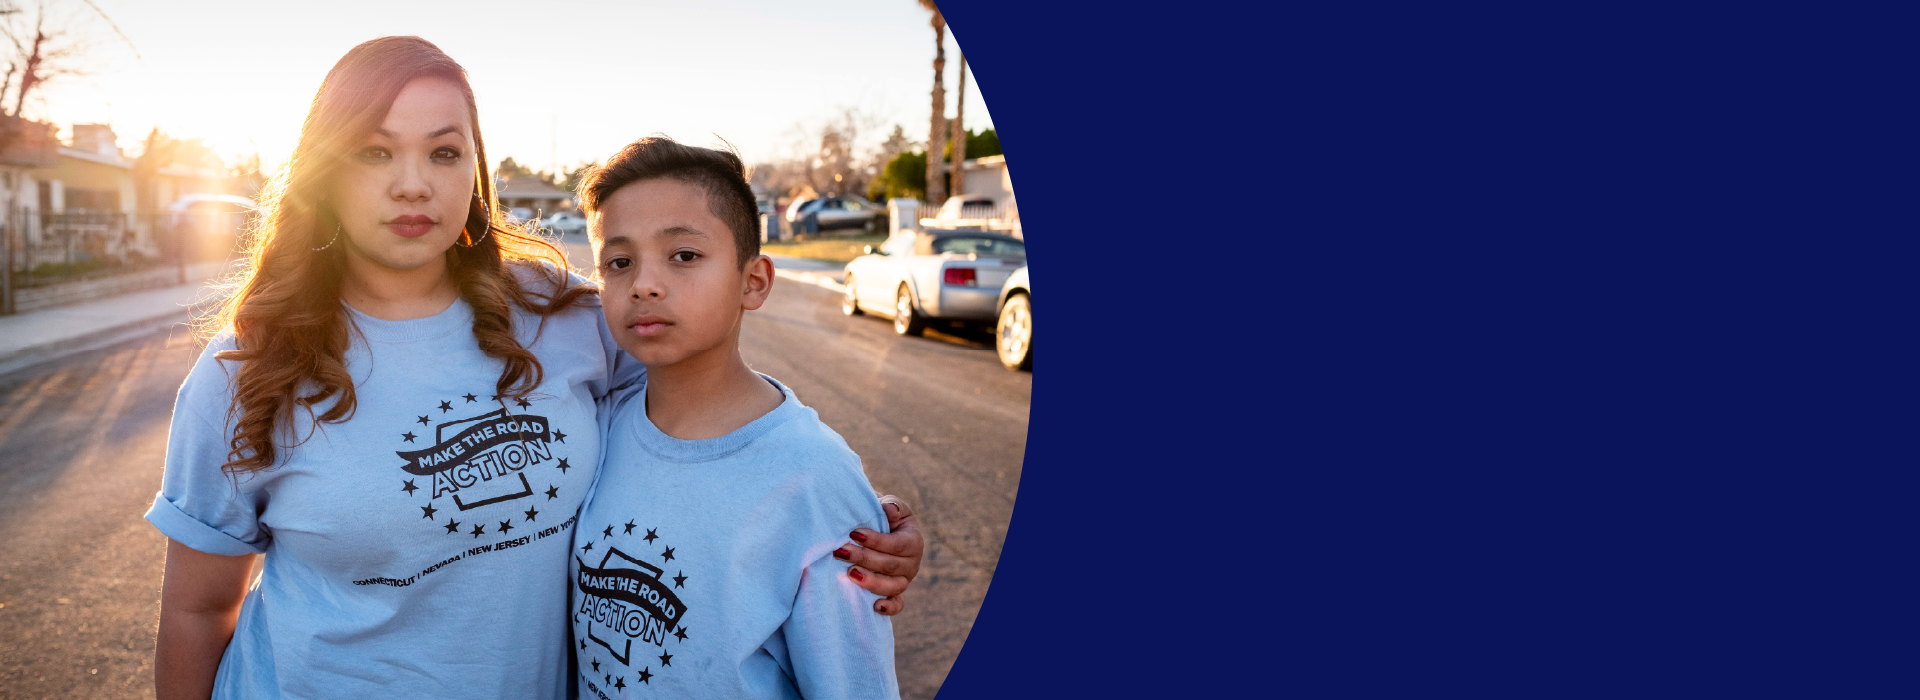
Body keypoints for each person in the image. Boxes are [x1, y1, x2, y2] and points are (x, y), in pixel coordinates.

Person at [146, 37, 922, 700]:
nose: (413, 181)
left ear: (474, 171)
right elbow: (196, 612)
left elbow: (707, 414)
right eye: (375, 151)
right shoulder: (244, 374)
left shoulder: (563, 315)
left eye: (444, 151)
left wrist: (842, 518)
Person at [569, 137, 898, 699]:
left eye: (684, 256)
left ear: (755, 282)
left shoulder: (814, 475)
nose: (644, 283)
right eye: (619, 263)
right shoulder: (599, 426)